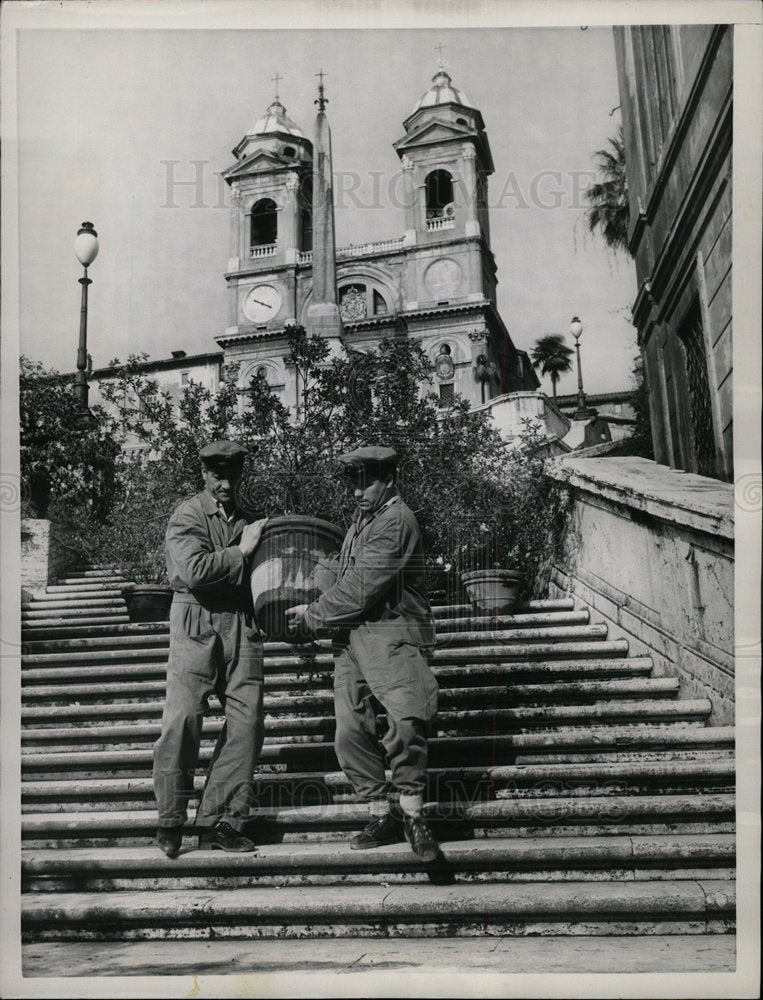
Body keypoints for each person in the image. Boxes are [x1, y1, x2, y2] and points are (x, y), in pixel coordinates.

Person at [285, 446, 440, 862]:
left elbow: (362, 587)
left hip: (392, 633)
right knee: (350, 732)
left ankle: (412, 814)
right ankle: (380, 812)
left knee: (408, 720)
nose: (357, 491)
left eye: (365, 481)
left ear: (389, 479)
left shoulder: (395, 520)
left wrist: (313, 615)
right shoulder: (363, 520)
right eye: (353, 482)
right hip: (352, 638)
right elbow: (347, 574)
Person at [153, 440, 269, 858]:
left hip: (241, 620)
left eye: (232, 475)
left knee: (247, 722)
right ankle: (170, 819)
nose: (225, 483)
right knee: (183, 718)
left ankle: (219, 821)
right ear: (203, 474)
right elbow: (193, 571)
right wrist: (241, 551)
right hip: (196, 618)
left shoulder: (249, 519)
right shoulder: (188, 514)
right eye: (217, 475)